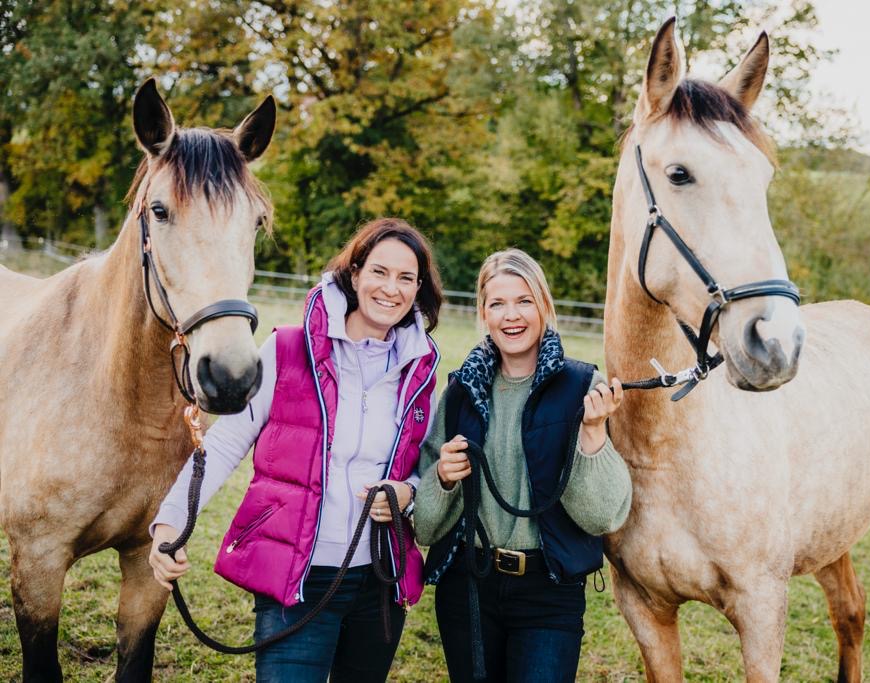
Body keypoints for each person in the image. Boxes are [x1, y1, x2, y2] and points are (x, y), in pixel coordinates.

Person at [148, 218, 443, 683]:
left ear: (418, 289)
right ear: (355, 274)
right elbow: (224, 444)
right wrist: (171, 522)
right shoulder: (287, 349)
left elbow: (428, 465)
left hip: (379, 582)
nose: (391, 289)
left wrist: (408, 490)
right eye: (379, 272)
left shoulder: (420, 371)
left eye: (406, 278)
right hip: (297, 575)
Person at [414, 248, 632, 683]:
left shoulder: (581, 387)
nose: (511, 315)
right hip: (468, 586)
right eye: (497, 303)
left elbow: (604, 516)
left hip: (547, 592)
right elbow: (425, 528)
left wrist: (591, 436)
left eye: (524, 301)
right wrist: (442, 478)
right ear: (483, 313)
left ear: (544, 306)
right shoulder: (460, 392)